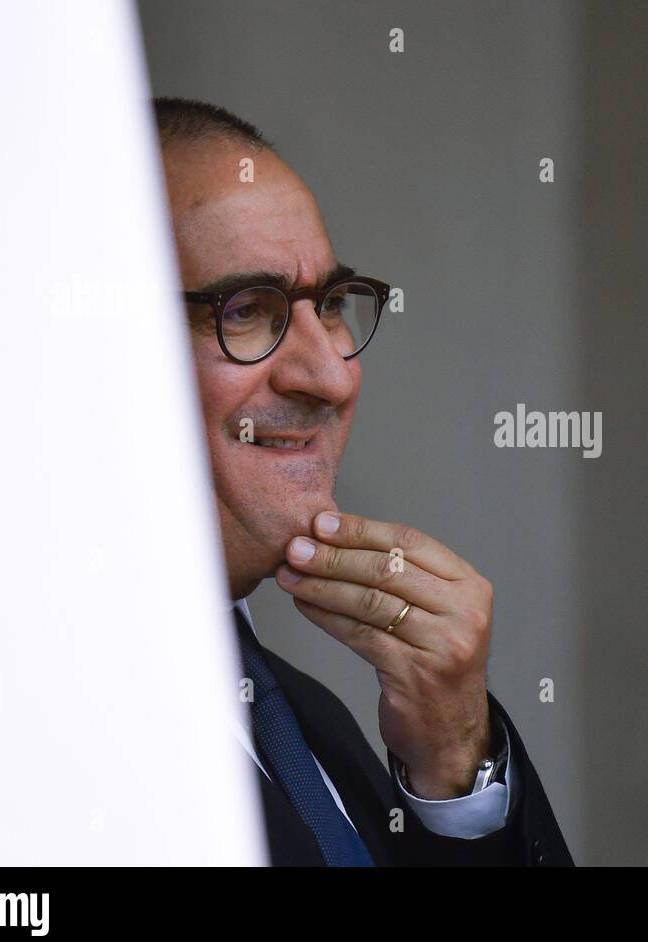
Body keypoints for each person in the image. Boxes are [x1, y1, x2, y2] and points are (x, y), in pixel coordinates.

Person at [155, 97, 572, 866]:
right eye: (249, 310)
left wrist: (456, 774)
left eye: (332, 306)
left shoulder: (307, 722)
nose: (332, 378)